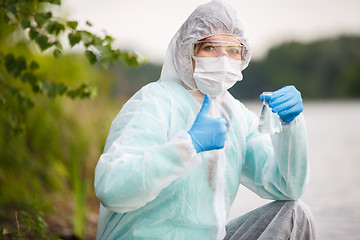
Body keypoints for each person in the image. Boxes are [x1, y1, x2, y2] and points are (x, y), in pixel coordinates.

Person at [94, 0, 317, 239]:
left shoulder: (237, 116)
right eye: (210, 47)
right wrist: (187, 145)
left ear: (243, 57)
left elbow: (287, 187)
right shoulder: (155, 102)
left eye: (233, 50)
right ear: (188, 52)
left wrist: (290, 126)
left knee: (294, 214)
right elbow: (111, 188)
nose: (223, 59)